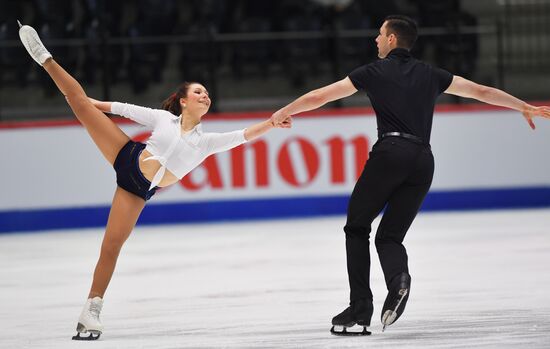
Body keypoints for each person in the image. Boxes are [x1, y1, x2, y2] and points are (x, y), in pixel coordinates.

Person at [271, 15, 550, 335]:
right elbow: (481, 91)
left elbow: (320, 96)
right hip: (422, 161)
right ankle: (398, 282)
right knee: (389, 236)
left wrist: (284, 111)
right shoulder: (431, 74)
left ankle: (361, 306)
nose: (375, 40)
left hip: (390, 153)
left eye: (379, 34)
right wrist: (523, 106)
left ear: (391, 40)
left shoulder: (372, 71)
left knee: (357, 227)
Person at [18, 22, 290, 340]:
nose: (205, 95)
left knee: (112, 246)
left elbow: (242, 136)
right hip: (126, 156)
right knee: (78, 101)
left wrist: (271, 123)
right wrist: (84, 104)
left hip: (136, 190)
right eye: (198, 91)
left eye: (207, 93)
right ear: (184, 101)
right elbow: (120, 109)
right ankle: (45, 57)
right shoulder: (164, 118)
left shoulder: (206, 143)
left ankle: (91, 309)